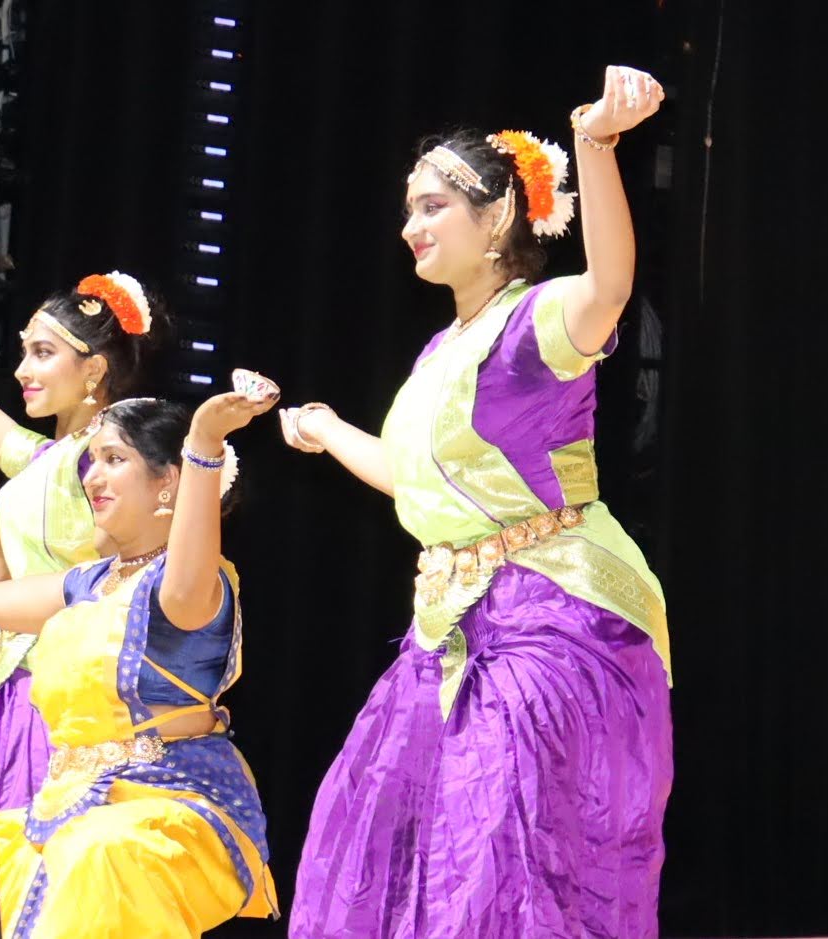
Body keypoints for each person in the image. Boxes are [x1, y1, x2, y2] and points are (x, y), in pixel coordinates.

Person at [282, 66, 673, 937]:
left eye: (432, 206)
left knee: (498, 839)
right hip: (452, 623)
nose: (409, 227)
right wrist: (325, 427)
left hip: (554, 619)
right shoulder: (440, 350)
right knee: (375, 823)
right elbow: (411, 477)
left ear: (496, 217)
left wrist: (595, 143)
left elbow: (610, 286)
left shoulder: (537, 321)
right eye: (408, 210)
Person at [0, 389, 280, 937]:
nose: (92, 476)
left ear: (167, 482)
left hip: (168, 808)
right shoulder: (90, 583)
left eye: (114, 459)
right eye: (91, 461)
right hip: (70, 805)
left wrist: (204, 443)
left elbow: (185, 568)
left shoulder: (188, 587)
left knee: (96, 856)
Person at [0, 271, 169, 811]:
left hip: (52, 699)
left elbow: (123, 578)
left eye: (43, 353)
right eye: (25, 352)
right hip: (10, 685)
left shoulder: (100, 458)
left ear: (93, 369)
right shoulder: (50, 456)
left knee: (23, 853)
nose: (22, 370)